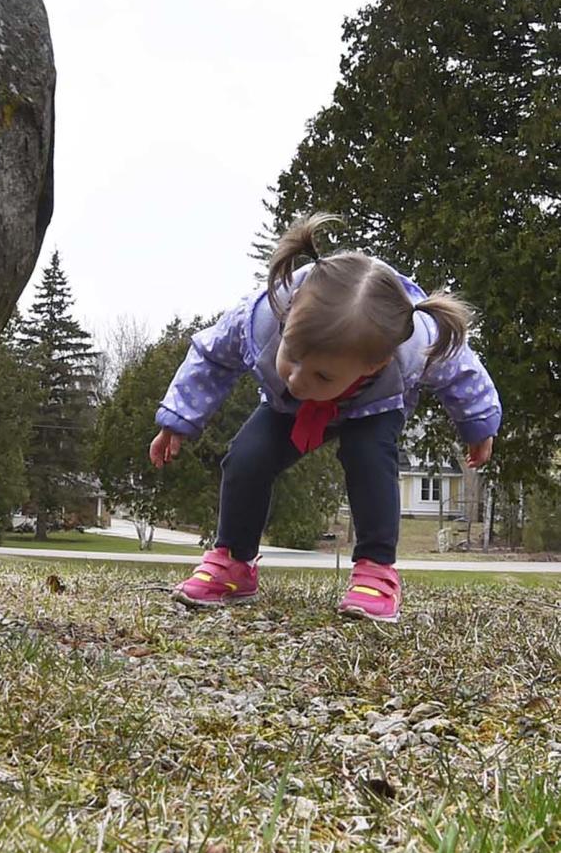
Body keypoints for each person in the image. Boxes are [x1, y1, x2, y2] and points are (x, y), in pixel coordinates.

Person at [151, 214, 501, 623]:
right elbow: (210, 357)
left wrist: (479, 424)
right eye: (292, 356)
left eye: (321, 374)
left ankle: (375, 569)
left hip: (373, 408)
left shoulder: (415, 344)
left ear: (374, 363)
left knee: (370, 460)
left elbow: (462, 372)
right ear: (288, 319)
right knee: (246, 459)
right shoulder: (261, 317)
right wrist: (178, 417)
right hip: (285, 411)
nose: (298, 379)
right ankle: (233, 562)